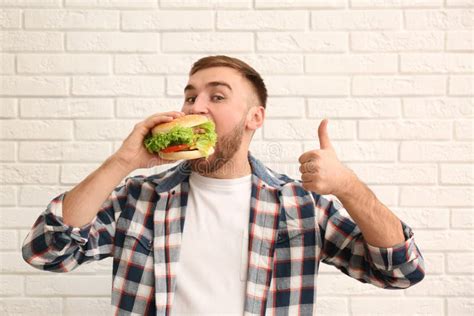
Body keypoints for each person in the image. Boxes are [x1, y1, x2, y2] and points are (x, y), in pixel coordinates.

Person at [22, 55, 425, 316]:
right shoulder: (138, 199)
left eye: (217, 97)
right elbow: (46, 252)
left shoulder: (302, 207)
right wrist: (123, 162)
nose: (196, 107)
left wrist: (348, 186)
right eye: (190, 96)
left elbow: (401, 272)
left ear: (255, 118)